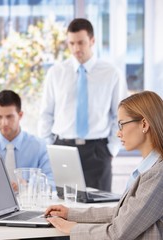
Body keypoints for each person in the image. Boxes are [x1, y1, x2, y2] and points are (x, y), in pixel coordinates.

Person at [45, 91, 163, 239]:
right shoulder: (150, 168)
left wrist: (73, 229)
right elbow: (121, 213)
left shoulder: (158, 174)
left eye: (122, 125)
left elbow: (117, 233)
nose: (118, 134)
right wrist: (70, 213)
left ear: (144, 124)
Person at [38, 18, 127, 191]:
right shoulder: (56, 73)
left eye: (81, 43)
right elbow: (46, 114)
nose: (76, 48)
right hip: (63, 148)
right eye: (71, 43)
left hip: (98, 151)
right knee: (63, 208)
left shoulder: (112, 73)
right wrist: (49, 147)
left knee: (99, 208)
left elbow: (120, 116)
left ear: (92, 41)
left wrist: (111, 149)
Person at [0, 90, 55, 191]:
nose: (4, 123)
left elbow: (52, 182)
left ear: (20, 115)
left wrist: (28, 185)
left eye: (9, 116)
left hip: (28, 204)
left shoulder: (39, 146)